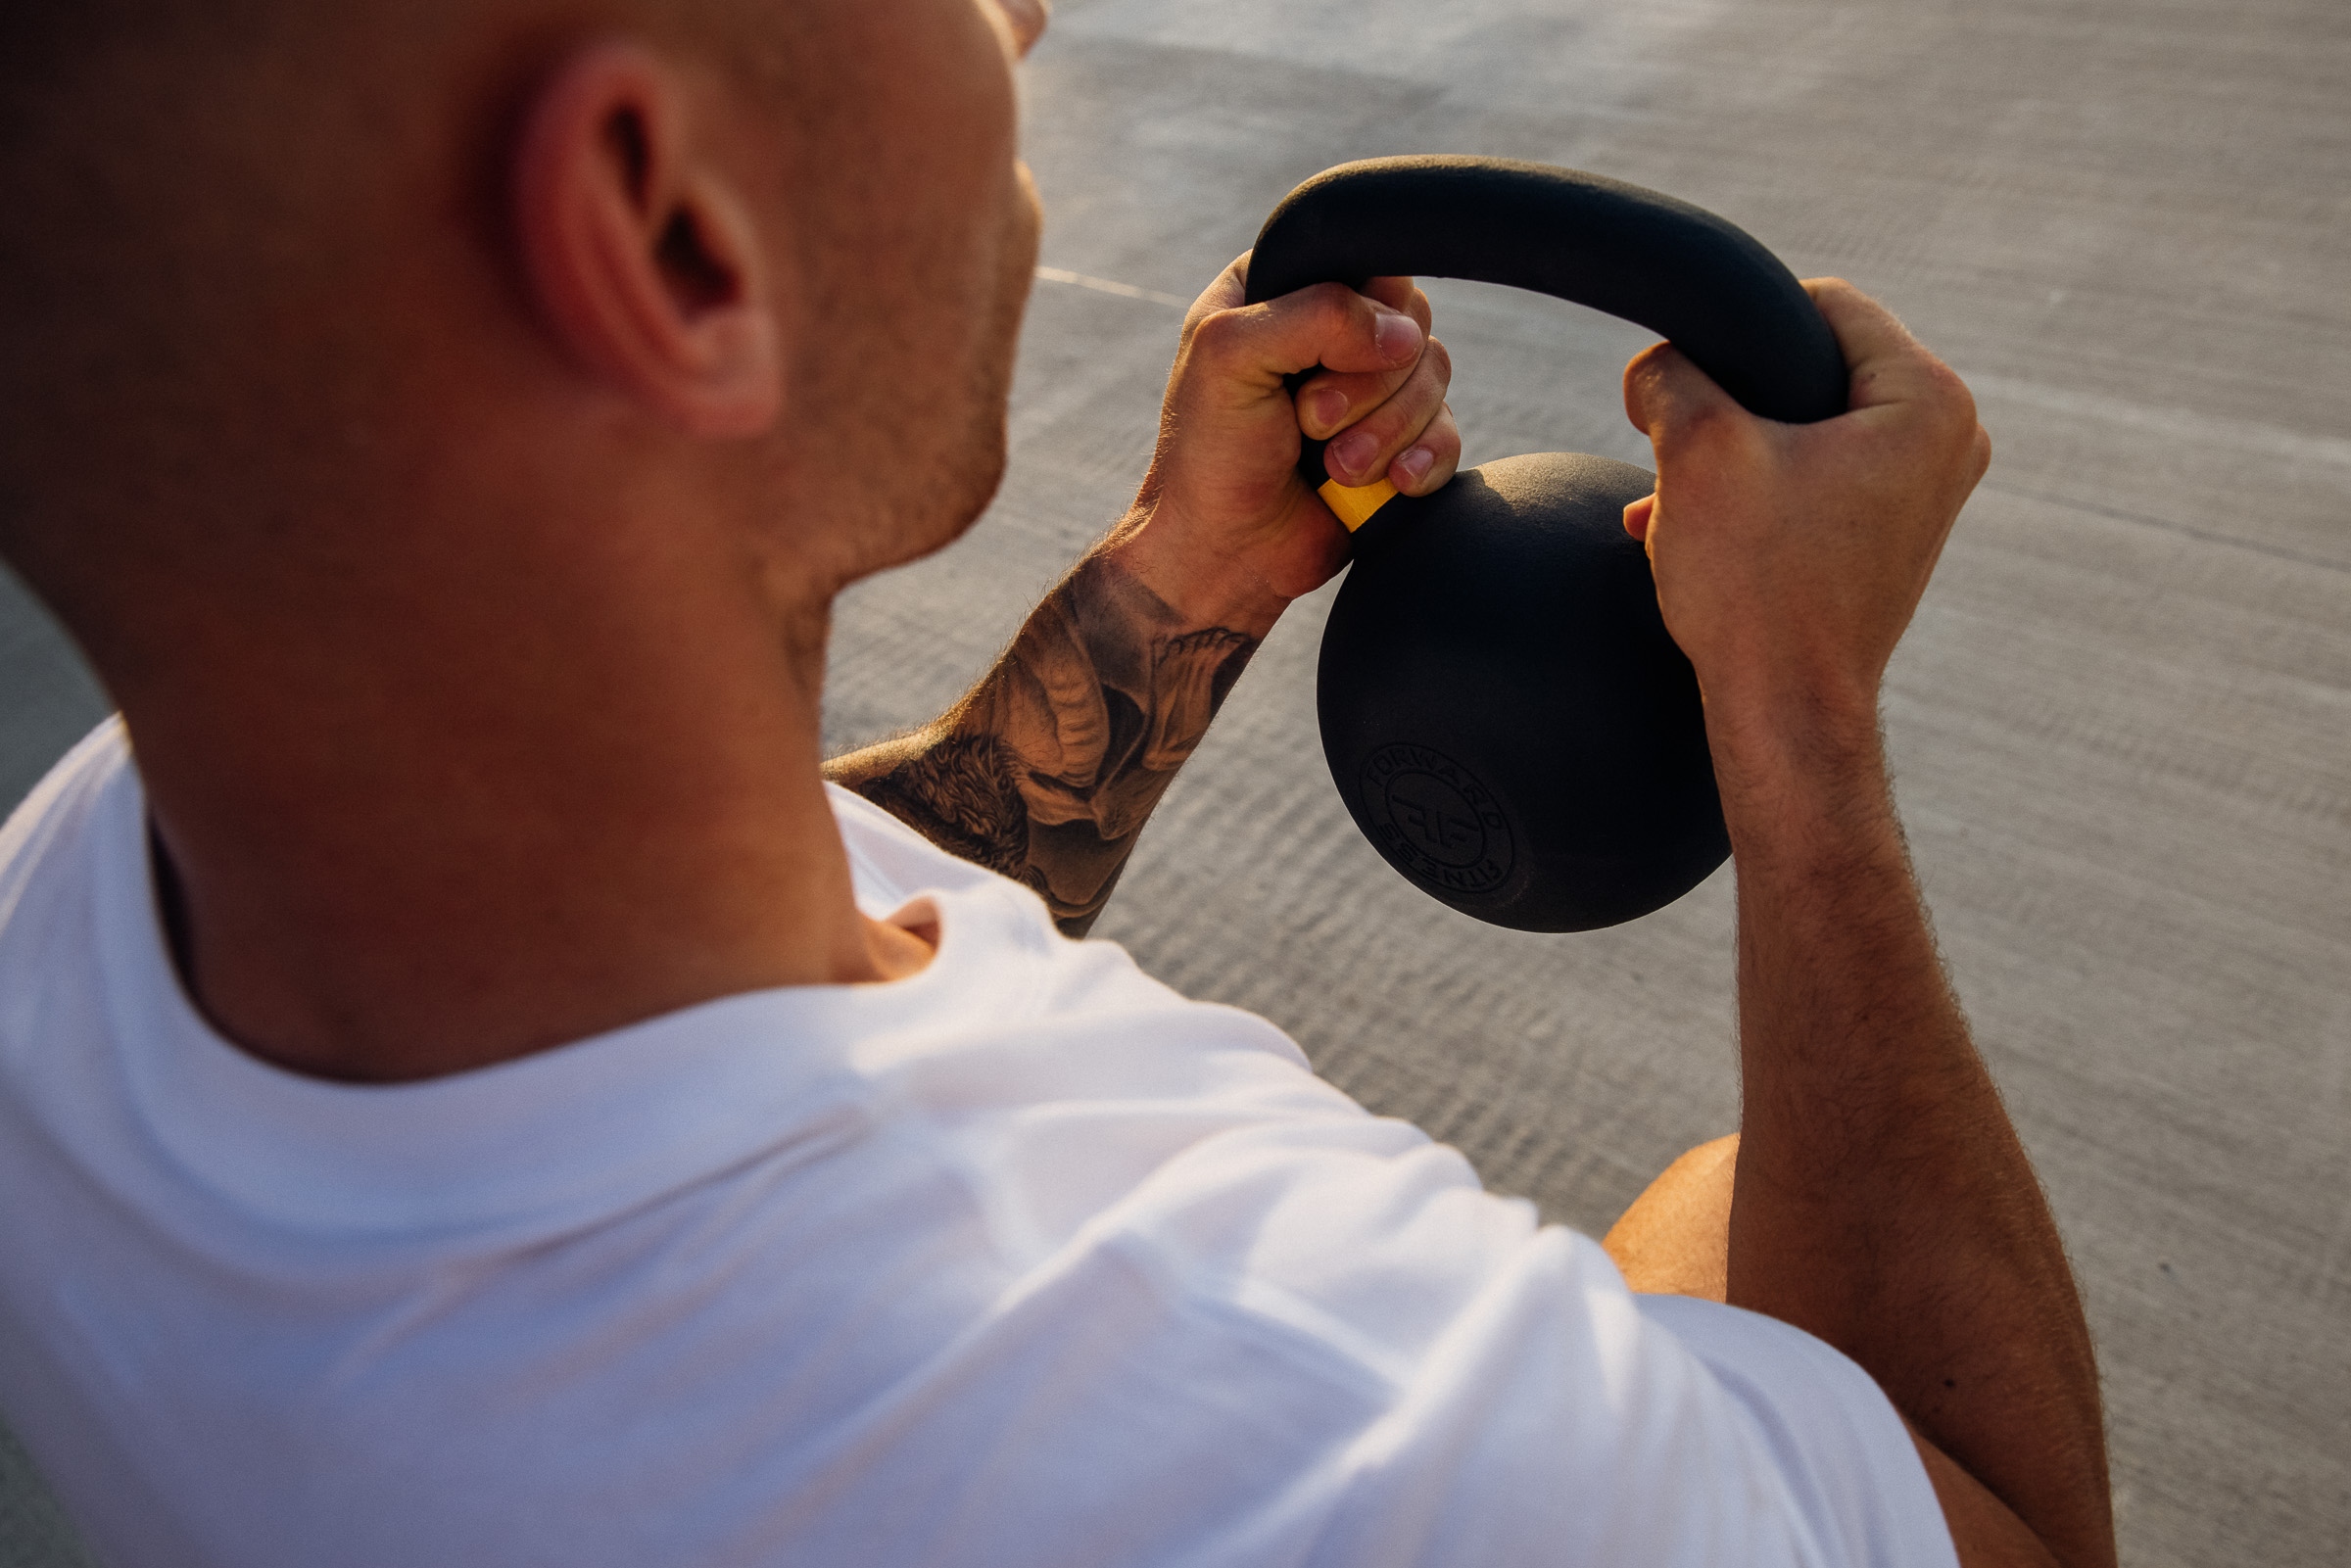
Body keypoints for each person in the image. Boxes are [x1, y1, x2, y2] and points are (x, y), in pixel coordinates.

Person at [0, 1, 2112, 1565]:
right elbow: (2004, 1524)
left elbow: (752, 920)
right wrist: (1798, 709)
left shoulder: (80, 913)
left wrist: (1185, 584)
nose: (1022, 19)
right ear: (670, 237)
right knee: (1744, 1216)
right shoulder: (1335, 1434)